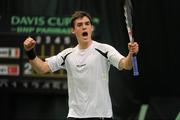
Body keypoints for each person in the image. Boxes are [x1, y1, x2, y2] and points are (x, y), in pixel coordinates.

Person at [23, 11, 139, 120]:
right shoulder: (67, 54)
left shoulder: (105, 49)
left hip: (100, 116)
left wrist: (131, 54)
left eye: (87, 24)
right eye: (79, 25)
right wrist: (30, 52)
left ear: (91, 28)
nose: (84, 27)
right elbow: (42, 68)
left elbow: (126, 65)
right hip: (75, 116)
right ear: (73, 30)